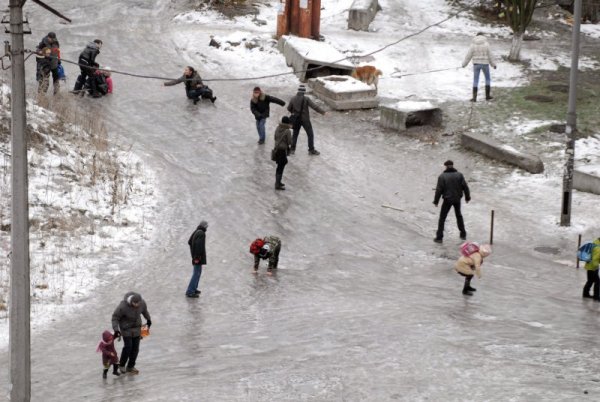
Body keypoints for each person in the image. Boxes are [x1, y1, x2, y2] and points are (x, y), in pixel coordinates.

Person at [111, 292, 151, 375]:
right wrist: (116, 329)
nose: (137, 305)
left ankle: (130, 366)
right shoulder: (123, 306)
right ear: (131, 301)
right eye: (135, 303)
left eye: (138, 303)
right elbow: (115, 318)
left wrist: (148, 320)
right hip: (126, 329)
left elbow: (145, 311)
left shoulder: (142, 303)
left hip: (137, 328)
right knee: (128, 347)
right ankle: (121, 365)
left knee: (135, 349)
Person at [433, 160, 470, 243]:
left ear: (446, 166)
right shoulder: (459, 175)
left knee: (442, 218)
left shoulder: (442, 176)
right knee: (459, 216)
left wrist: (436, 201)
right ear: (452, 166)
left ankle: (439, 237)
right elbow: (465, 187)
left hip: (447, 199)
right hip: (457, 199)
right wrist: (467, 197)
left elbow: (439, 190)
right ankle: (463, 234)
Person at [287, 85, 326, 156]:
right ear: (304, 92)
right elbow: (315, 107)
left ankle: (292, 150)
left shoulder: (293, 98)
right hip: (305, 120)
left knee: (295, 135)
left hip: (296, 119)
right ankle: (311, 150)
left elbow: (288, 108)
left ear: (298, 91)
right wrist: (323, 112)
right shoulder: (306, 99)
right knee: (310, 134)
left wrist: (294, 112)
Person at [462, 32, 497, 102]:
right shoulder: (486, 44)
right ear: (483, 36)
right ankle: (487, 96)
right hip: (485, 64)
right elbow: (490, 55)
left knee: (475, 81)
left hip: (476, 65)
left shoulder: (473, 45)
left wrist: (464, 64)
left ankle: (474, 98)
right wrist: (493, 64)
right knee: (487, 79)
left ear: (476, 36)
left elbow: (468, 56)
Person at [186, 221, 208, 298]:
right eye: (206, 226)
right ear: (204, 226)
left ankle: (194, 288)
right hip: (198, 258)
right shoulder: (201, 233)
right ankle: (190, 291)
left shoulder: (196, 231)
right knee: (196, 274)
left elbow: (189, 242)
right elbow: (199, 246)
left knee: (197, 273)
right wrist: (197, 257)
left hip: (196, 257)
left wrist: (193, 252)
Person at [273, 116, 293, 190]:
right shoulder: (287, 131)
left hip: (277, 149)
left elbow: (275, 137)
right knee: (281, 166)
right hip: (282, 150)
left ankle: (278, 181)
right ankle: (277, 184)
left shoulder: (277, 128)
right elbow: (289, 142)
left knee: (280, 165)